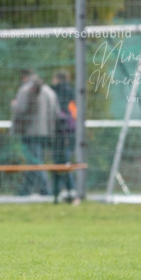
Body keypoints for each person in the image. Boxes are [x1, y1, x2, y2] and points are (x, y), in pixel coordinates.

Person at [9, 67, 61, 197]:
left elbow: (21, 108)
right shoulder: (49, 91)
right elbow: (57, 113)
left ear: (24, 77)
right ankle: (25, 190)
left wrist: (13, 104)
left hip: (30, 131)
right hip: (47, 132)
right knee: (35, 160)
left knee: (35, 162)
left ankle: (46, 191)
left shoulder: (25, 90)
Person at [51, 69, 79, 205]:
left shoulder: (57, 92)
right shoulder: (72, 92)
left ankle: (70, 193)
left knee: (62, 163)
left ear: (57, 79)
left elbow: (62, 115)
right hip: (71, 132)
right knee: (64, 163)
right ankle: (63, 193)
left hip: (61, 133)